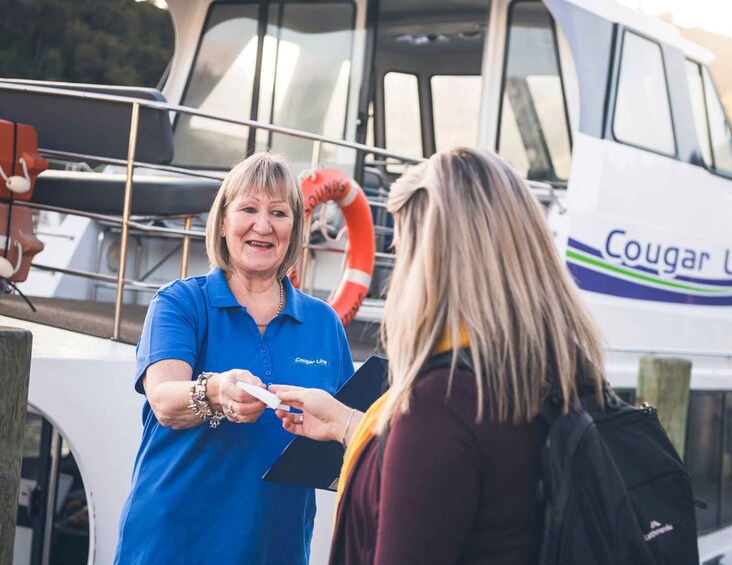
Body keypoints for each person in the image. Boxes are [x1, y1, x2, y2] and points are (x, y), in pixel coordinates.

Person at [272, 147, 608, 563]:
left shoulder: (438, 408)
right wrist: (345, 424)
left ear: (433, 263)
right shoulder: (552, 373)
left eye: (403, 254)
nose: (397, 281)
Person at [114, 152, 354, 564]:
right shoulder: (181, 302)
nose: (263, 226)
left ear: (294, 229)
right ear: (223, 222)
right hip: (171, 546)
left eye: (279, 212)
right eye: (248, 209)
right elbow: (164, 399)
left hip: (276, 551)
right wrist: (216, 392)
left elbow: (349, 430)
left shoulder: (324, 323)